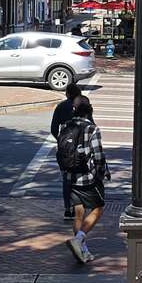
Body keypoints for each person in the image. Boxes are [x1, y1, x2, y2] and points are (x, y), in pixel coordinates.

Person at [56, 97, 110, 263]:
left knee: (79, 213)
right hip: (87, 178)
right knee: (98, 208)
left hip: (70, 177)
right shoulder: (92, 129)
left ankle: (82, 251)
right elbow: (99, 156)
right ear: (89, 112)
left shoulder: (65, 126)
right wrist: (101, 174)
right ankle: (79, 239)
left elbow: (61, 151)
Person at [51, 82, 82, 220]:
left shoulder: (61, 107)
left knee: (66, 178)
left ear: (67, 93)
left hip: (64, 150)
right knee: (79, 178)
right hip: (80, 148)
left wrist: (60, 139)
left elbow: (53, 128)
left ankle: (67, 209)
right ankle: (78, 206)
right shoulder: (82, 107)